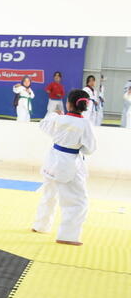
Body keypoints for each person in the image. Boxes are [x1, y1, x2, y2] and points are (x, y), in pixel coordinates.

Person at [32, 90, 97, 246]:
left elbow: (43, 125)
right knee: (77, 201)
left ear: (69, 103)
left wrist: (54, 115)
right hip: (69, 163)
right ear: (84, 106)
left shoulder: (58, 119)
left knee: (49, 194)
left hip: (52, 159)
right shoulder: (85, 124)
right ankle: (68, 235)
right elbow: (90, 148)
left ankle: (41, 225)